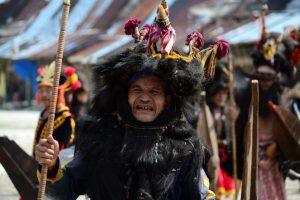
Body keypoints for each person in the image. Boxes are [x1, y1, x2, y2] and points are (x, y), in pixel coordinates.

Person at [35, 1, 229, 199]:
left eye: (154, 91)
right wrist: (51, 166)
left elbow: (202, 195)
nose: (144, 97)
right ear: (125, 95)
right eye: (137, 89)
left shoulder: (185, 149)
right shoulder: (99, 139)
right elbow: (64, 190)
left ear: (168, 100)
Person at [235, 32, 296, 200]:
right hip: (253, 163)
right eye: (260, 78)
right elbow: (241, 132)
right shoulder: (247, 101)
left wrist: (278, 149)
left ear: (275, 79)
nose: (264, 83)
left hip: (275, 162)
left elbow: (288, 134)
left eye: (268, 78)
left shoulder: (281, 101)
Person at [33, 62, 81, 154]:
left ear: (58, 93)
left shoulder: (65, 117)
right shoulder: (43, 113)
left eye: (48, 91)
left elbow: (67, 150)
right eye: (41, 91)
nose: (44, 94)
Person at [205, 64, 236, 199]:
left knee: (228, 191)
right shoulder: (206, 113)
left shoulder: (227, 112)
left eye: (224, 94)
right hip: (212, 155)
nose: (221, 97)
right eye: (218, 94)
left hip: (226, 157)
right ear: (212, 95)